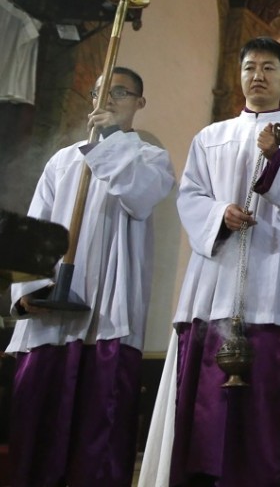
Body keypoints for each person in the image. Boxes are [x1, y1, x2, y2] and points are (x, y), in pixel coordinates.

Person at [170, 37, 280, 486]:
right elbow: (190, 197)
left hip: (272, 291)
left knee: (263, 413)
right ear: (239, 75)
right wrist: (219, 214)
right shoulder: (209, 137)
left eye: (267, 68)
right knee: (203, 412)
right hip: (214, 289)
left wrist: (275, 161)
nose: (257, 75)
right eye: (249, 67)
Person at [6, 67, 175, 487]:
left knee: (96, 436)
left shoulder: (150, 158)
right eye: (101, 91)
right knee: (36, 434)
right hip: (53, 315)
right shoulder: (62, 161)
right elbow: (36, 229)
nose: (109, 99)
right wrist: (28, 290)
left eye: (121, 92)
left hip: (106, 318)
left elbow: (138, 197)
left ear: (140, 102)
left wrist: (111, 143)